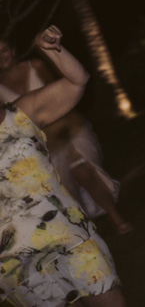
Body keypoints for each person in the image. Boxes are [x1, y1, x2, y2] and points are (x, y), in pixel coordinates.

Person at [0, 26, 126, 307]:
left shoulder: (23, 112)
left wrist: (50, 49)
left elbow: (77, 81)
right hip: (18, 263)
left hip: (69, 233)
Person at [0, 39, 133, 235]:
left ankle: (116, 218)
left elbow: (62, 90)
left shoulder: (35, 65)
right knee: (63, 188)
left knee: (82, 170)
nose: (1, 56)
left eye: (3, 50)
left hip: (66, 125)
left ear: (12, 50)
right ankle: (83, 232)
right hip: (37, 144)